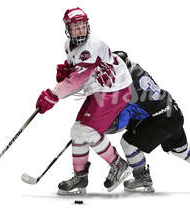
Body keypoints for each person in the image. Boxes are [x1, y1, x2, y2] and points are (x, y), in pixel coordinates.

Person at [36, 8, 133, 195]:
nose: (80, 30)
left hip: (115, 90)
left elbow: (76, 81)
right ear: (68, 29)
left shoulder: (92, 47)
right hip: (98, 89)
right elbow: (78, 77)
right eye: (75, 27)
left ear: (87, 26)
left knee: (87, 131)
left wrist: (53, 95)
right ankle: (80, 177)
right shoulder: (69, 46)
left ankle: (119, 165)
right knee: (77, 131)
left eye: (82, 26)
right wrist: (68, 71)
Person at [104, 51, 190, 192]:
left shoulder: (126, 85)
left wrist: (99, 127)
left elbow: (122, 120)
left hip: (160, 120)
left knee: (127, 143)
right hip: (172, 110)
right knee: (181, 149)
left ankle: (142, 177)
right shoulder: (136, 67)